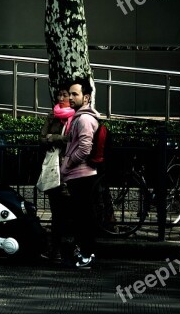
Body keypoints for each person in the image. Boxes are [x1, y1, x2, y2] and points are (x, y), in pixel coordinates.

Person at [60, 77, 100, 268]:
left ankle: (87, 255)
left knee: (83, 218)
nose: (71, 98)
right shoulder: (79, 117)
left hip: (81, 175)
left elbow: (84, 148)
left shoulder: (84, 119)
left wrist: (68, 163)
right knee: (81, 217)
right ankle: (83, 252)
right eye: (70, 94)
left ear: (86, 98)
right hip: (79, 175)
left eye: (75, 94)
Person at [39, 84, 74, 264]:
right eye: (59, 95)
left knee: (68, 213)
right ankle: (55, 249)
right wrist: (53, 138)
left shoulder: (74, 117)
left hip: (69, 169)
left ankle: (69, 249)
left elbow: (70, 140)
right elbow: (42, 138)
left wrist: (55, 138)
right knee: (56, 212)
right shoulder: (52, 115)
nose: (61, 99)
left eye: (65, 95)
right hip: (54, 168)